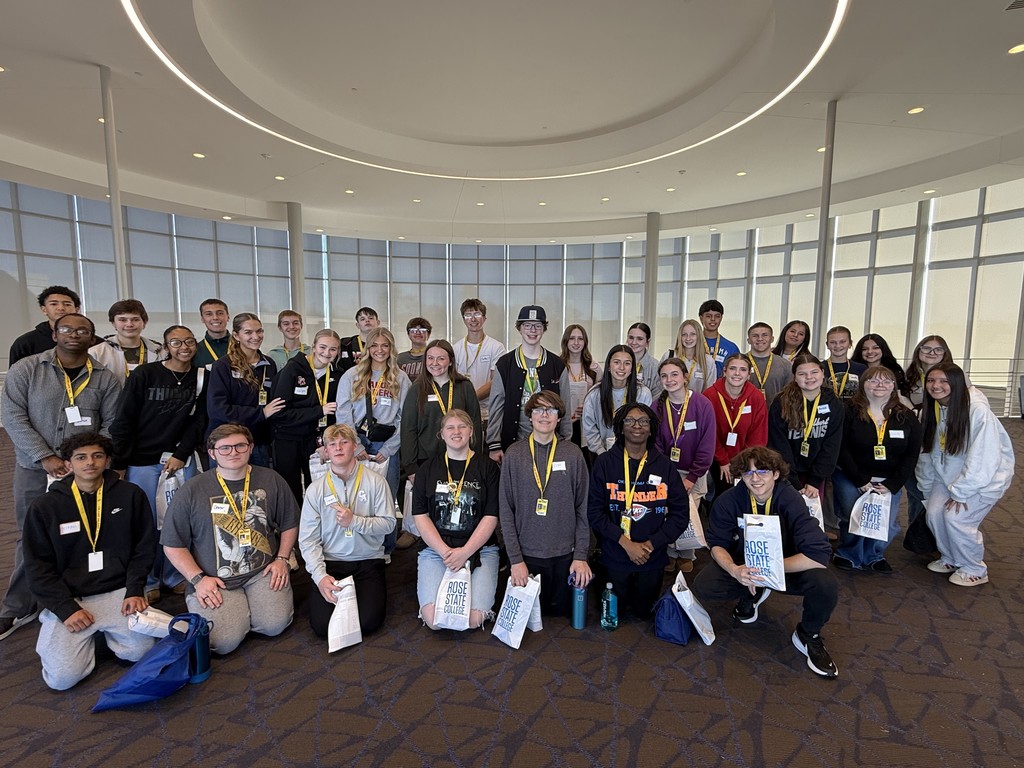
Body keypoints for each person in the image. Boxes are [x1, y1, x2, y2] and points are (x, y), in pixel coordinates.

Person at [0, 313, 121, 641]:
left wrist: (89, 460)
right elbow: (11, 414)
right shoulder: (27, 369)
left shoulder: (104, 378)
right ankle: (18, 606)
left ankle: (76, 594)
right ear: (54, 333)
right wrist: (45, 456)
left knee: (88, 530)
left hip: (87, 471)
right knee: (31, 535)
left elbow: (111, 424)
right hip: (35, 468)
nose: (75, 335)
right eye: (68, 329)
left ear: (92, 338)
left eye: (84, 331)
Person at [692, 446, 839, 679]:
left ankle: (808, 635)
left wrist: (770, 569)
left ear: (776, 474)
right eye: (749, 473)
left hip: (785, 565)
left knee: (826, 584)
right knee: (705, 585)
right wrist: (734, 570)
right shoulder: (729, 500)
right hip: (745, 566)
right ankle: (751, 593)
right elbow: (717, 545)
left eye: (763, 471)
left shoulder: (791, 500)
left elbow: (818, 555)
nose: (756, 478)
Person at [22, 434, 156, 690]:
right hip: (72, 598)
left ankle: (103, 633)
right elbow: (37, 566)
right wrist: (65, 608)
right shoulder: (45, 507)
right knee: (62, 679)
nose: (90, 463)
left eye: (97, 456)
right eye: (81, 457)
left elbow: (144, 547)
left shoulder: (130, 495)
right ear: (69, 464)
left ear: (107, 461)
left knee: (140, 653)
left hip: (119, 593)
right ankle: (58, 624)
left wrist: (135, 589)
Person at [162, 424, 298, 654]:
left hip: (261, 572)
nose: (233, 452)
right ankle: (233, 612)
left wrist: (282, 559)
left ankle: (249, 610)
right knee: (223, 643)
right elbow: (173, 544)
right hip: (215, 580)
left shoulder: (271, 479)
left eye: (240, 446)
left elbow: (289, 523)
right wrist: (198, 579)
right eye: (224, 448)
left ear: (250, 448)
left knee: (274, 625)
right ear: (212, 453)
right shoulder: (192, 490)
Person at [109, 324, 208, 602]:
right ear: (165, 347)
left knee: (179, 519)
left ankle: (175, 575)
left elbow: (198, 421)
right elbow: (124, 419)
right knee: (147, 522)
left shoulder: (201, 377)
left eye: (189, 341)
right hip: (143, 462)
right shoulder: (145, 374)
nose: (184, 347)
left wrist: (181, 454)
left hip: (180, 459)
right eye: (176, 342)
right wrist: (119, 462)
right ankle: (148, 579)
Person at [917, 363, 1014, 587]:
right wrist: (927, 485)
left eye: (943, 381)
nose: (936, 386)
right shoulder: (931, 409)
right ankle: (951, 558)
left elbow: (985, 457)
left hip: (983, 480)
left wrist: (962, 492)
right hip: (948, 476)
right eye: (931, 381)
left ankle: (974, 568)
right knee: (933, 513)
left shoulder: (976, 410)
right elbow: (928, 452)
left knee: (957, 519)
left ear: (957, 384)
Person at [589, 404, 688, 619]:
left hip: (651, 555)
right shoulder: (604, 464)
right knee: (615, 614)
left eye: (643, 421)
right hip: (615, 553)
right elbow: (594, 513)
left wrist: (650, 545)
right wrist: (626, 544)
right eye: (630, 421)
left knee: (645, 613)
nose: (637, 426)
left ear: (651, 429)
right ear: (620, 428)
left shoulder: (665, 466)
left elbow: (680, 514)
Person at [499, 391, 593, 617]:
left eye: (550, 410)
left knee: (562, 621)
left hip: (565, 557)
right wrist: (515, 560)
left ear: (559, 417)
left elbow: (583, 510)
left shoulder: (573, 454)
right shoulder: (514, 454)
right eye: (538, 409)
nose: (544, 415)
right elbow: (505, 511)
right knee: (530, 621)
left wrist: (581, 555)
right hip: (526, 557)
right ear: (529, 416)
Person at [298, 424, 396, 638]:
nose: (338, 448)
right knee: (323, 627)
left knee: (369, 622)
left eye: (344, 442)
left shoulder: (376, 482)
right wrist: (320, 576)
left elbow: (389, 524)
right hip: (331, 563)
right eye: (332, 444)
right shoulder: (316, 490)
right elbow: (307, 540)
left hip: (368, 560)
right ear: (326, 451)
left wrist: (355, 522)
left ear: (354, 445)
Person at [412, 409, 501, 630]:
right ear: (441, 434)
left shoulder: (488, 468)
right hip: (437, 550)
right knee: (434, 621)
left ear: (471, 431)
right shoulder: (427, 469)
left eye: (462, 426)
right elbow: (420, 515)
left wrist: (465, 552)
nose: (456, 432)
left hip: (480, 549)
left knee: (473, 620)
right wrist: (445, 552)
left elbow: (491, 516)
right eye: (450, 427)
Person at [832, 367, 922, 573]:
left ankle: (874, 555)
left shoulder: (906, 416)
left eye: (886, 381)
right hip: (851, 475)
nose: (880, 385)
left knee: (884, 522)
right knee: (853, 516)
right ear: (863, 384)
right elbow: (841, 448)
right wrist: (860, 479)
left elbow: (911, 454)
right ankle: (849, 553)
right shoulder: (848, 411)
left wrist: (892, 484)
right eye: (873, 380)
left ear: (893, 386)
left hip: (889, 479)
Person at [487, 305, 572, 463]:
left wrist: (566, 441)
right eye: (527, 325)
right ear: (519, 328)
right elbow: (496, 406)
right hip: (513, 442)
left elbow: (565, 404)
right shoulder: (505, 364)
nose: (532, 330)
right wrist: (494, 444)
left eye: (538, 325)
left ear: (544, 329)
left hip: (551, 442)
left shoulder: (557, 365)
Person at [654, 358, 716, 572]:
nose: (669, 380)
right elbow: (656, 444)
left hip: (694, 471)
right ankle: (670, 552)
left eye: (674, 374)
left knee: (689, 513)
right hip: (667, 472)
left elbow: (707, 444)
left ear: (685, 377)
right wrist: (668, 474)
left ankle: (687, 553)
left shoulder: (702, 404)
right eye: (664, 376)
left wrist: (691, 477)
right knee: (667, 512)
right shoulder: (658, 405)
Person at [336, 327, 410, 504]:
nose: (380, 350)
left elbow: (405, 419)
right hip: (356, 442)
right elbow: (343, 413)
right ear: (367, 348)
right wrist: (355, 445)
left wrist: (389, 448)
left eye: (385, 345)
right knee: (355, 499)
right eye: (374, 345)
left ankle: (387, 533)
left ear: (391, 349)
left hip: (386, 444)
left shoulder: (401, 378)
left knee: (386, 500)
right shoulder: (351, 376)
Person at [271, 329, 343, 502]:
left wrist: (324, 441)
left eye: (333, 349)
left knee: (318, 488)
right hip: (287, 438)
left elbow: (335, 415)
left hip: (315, 440)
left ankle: (318, 525)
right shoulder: (293, 370)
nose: (327, 353)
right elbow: (280, 413)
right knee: (290, 489)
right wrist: (319, 411)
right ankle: (293, 527)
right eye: (323, 347)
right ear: (313, 347)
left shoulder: (336, 375)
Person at [768, 355, 845, 513]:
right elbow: (779, 445)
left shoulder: (834, 404)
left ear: (822, 373)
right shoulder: (781, 403)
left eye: (814, 372)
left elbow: (831, 446)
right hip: (786, 472)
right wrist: (793, 482)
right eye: (802, 374)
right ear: (795, 377)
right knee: (786, 514)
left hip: (816, 473)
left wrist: (815, 481)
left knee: (810, 518)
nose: (809, 378)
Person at [207, 313, 285, 467]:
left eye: (259, 331)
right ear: (236, 335)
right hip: (229, 443)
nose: (255, 336)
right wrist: (260, 413)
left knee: (260, 489)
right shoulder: (223, 366)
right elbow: (217, 409)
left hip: (259, 442)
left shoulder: (269, 364)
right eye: (248, 332)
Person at [401, 339, 482, 482]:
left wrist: (476, 459)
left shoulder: (464, 386)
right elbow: (408, 428)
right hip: (425, 459)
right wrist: (411, 467)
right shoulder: (417, 388)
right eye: (430, 358)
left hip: (461, 457)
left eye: (441, 358)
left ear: (450, 361)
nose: (435, 363)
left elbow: (475, 422)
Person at [701, 353, 768, 498]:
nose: (737, 373)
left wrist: (745, 462)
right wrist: (723, 461)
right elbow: (708, 434)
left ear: (749, 375)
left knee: (744, 495)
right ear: (724, 371)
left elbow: (758, 433)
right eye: (732, 368)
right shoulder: (710, 396)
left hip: (746, 457)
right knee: (721, 492)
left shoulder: (756, 397)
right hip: (716, 457)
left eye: (743, 370)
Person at [582, 345, 653, 455]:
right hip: (601, 454)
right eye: (617, 362)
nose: (622, 367)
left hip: (634, 454)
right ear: (609, 366)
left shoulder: (643, 393)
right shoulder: (594, 394)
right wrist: (602, 453)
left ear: (632, 368)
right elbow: (589, 428)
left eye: (627, 363)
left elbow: (645, 427)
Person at [453, 298, 506, 430]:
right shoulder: (456, 348)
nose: (473, 319)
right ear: (463, 319)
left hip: (489, 413)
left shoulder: (496, 347)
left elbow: (496, 381)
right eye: (468, 315)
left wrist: (471, 398)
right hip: (463, 412)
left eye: (477, 314)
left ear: (484, 318)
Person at [89, 299, 165, 384]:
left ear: (144, 322)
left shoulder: (160, 352)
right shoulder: (96, 353)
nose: (129, 324)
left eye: (135, 319)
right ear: (113, 323)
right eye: (122, 320)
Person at [9, 285, 81, 366]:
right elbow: (15, 376)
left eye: (67, 304)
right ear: (44, 310)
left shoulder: (91, 340)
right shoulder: (25, 343)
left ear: (76, 310)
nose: (61, 308)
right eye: (54, 304)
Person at [559, 324, 602, 456]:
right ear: (566, 341)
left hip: (587, 425)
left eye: (580, 339)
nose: (576, 342)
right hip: (564, 423)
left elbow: (601, 396)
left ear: (585, 342)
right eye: (572, 338)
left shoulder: (594, 368)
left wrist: (589, 407)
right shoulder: (557, 365)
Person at [663, 318, 717, 394]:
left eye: (692, 334)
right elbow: (660, 384)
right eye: (684, 335)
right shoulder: (670, 356)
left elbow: (709, 390)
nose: (688, 338)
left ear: (699, 336)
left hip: (697, 404)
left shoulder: (708, 361)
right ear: (680, 337)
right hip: (671, 402)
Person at [745, 322, 792, 405]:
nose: (760, 339)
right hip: (745, 413)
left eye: (765, 335)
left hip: (775, 414)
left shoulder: (785, 365)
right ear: (748, 340)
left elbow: (790, 394)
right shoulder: (740, 363)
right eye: (755, 336)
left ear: (772, 339)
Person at [905, 335, 954, 410]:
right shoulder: (908, 375)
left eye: (938, 350)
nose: (931, 353)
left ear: (945, 353)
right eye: (926, 349)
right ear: (918, 350)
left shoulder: (955, 373)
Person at [822, 326, 867, 401]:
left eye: (842, 341)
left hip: (854, 411)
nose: (838, 346)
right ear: (827, 345)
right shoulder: (819, 368)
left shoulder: (861, 369)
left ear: (850, 344)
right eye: (833, 342)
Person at [699, 300, 740, 376]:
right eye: (708, 316)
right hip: (696, 387)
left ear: (721, 318)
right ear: (701, 318)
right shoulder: (692, 344)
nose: (713, 319)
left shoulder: (731, 347)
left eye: (717, 316)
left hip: (722, 387)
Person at [625, 322, 663, 399]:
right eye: (631, 338)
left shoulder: (655, 366)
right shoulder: (618, 362)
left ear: (647, 342)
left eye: (640, 339)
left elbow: (657, 397)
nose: (634, 342)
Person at [338, 306, 380, 373]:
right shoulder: (346, 345)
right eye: (362, 319)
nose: (367, 320)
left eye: (371, 318)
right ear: (357, 325)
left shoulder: (384, 345)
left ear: (378, 322)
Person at [193, 298, 231, 369]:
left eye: (220, 313)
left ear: (228, 317)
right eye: (209, 314)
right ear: (202, 319)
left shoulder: (242, 347)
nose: (215, 317)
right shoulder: (195, 351)